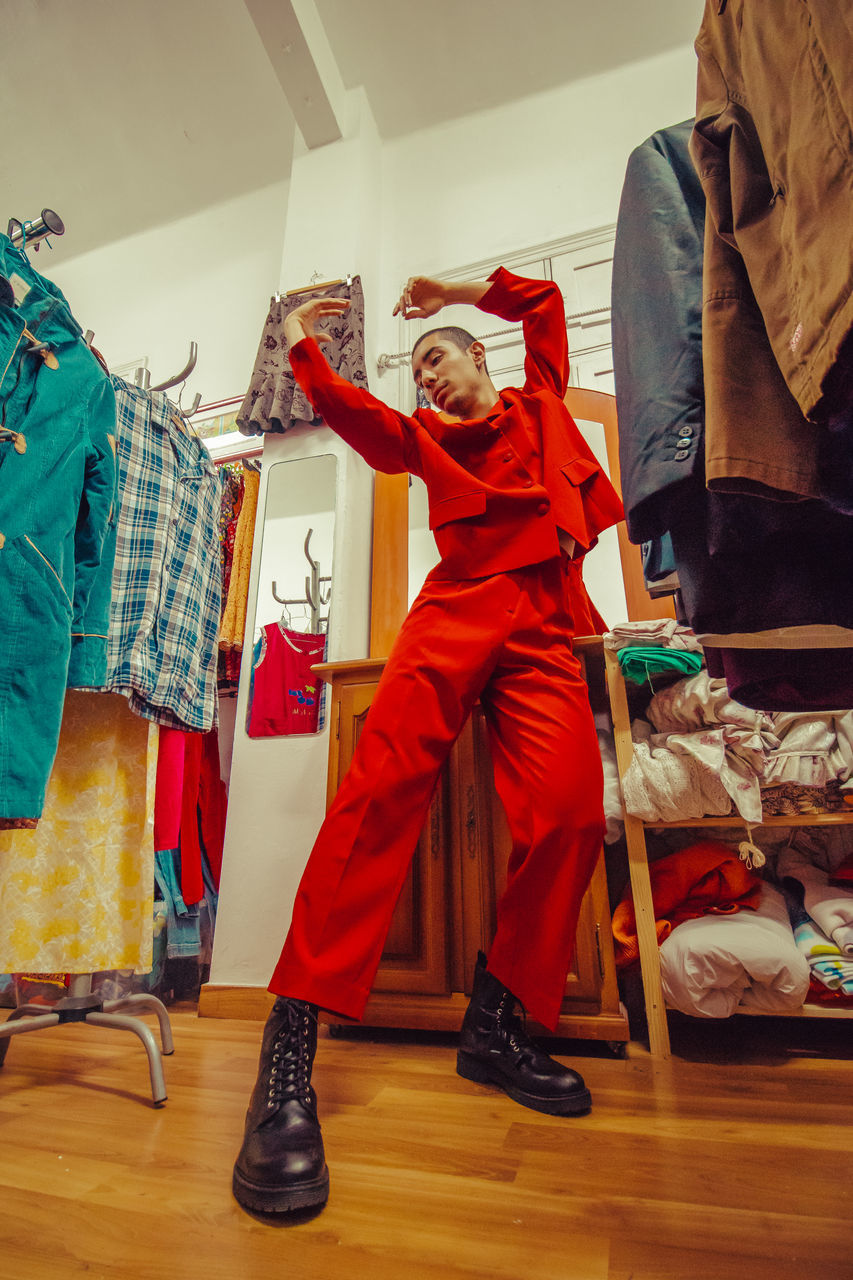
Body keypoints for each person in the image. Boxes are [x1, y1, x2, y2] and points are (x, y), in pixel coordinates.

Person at [232, 267, 624, 1216]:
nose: (429, 377)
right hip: (454, 613)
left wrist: (455, 289)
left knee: (570, 817)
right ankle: (290, 1041)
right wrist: (294, 339)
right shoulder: (418, 439)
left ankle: (497, 1024)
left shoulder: (540, 401)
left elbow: (543, 308)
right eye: (418, 371)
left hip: (542, 625)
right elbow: (345, 405)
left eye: (438, 357)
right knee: (376, 799)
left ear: (477, 357)